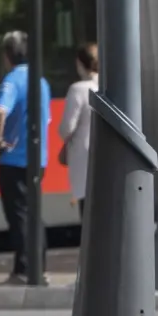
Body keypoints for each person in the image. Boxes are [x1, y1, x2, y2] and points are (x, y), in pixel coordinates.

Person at [0, 30, 51, 285]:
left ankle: (24, 269)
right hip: (39, 158)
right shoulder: (42, 81)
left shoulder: (11, 81)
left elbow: (0, 110)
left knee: (18, 215)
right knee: (33, 212)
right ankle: (38, 267)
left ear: (7, 55)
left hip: (14, 158)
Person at [58, 43, 98, 221]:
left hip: (84, 157)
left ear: (80, 64)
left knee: (88, 211)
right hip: (107, 156)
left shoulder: (78, 89)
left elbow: (67, 128)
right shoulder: (109, 84)